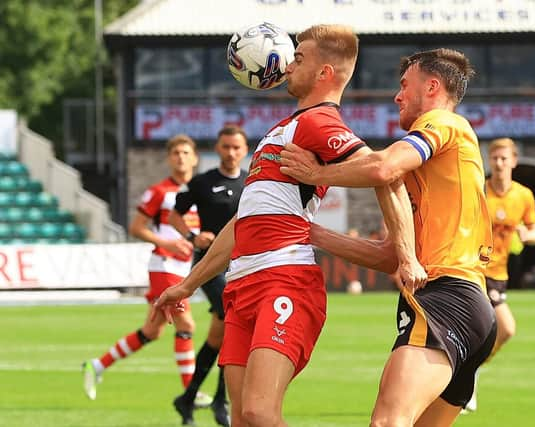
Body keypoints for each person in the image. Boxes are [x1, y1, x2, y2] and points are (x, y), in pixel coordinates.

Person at [152, 25, 403, 427]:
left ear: (324, 73)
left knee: (259, 413)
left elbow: (384, 169)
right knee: (243, 421)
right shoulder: (282, 129)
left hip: (283, 279)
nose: (288, 64)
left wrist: (400, 251)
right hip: (241, 287)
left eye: (298, 57)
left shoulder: (318, 123)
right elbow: (241, 222)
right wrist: (188, 284)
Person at [280, 48, 497, 426]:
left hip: (446, 298)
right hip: (468, 305)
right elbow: (390, 257)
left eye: (403, 86)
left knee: (387, 422)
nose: (396, 96)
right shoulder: (434, 172)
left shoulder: (444, 123)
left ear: (432, 87)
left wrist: (316, 175)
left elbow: (383, 167)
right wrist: (312, 233)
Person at [82, 134, 200, 401]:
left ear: (194, 158)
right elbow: (136, 227)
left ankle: (96, 365)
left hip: (185, 267)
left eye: (185, 153)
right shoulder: (159, 192)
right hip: (164, 265)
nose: (180, 157)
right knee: (186, 324)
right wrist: (166, 243)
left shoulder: (200, 190)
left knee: (152, 330)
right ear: (169, 159)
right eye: (175, 153)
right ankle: (190, 392)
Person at [169, 125, 249, 426]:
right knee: (234, 318)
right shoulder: (202, 182)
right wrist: (191, 237)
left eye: (236, 148)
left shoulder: (251, 183)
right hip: (209, 266)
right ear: (217, 148)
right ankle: (220, 402)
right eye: (226, 147)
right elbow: (175, 214)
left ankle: (189, 398)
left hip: (239, 266)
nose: (231, 152)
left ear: (244, 151)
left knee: (220, 334)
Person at [462, 137, 535, 411]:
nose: (498, 163)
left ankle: (469, 372)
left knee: (503, 331)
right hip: (474, 268)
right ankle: (464, 379)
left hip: (500, 273)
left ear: (514, 161)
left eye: (504, 158)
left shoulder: (523, 195)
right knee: (498, 326)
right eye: (494, 158)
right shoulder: (479, 190)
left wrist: (527, 234)